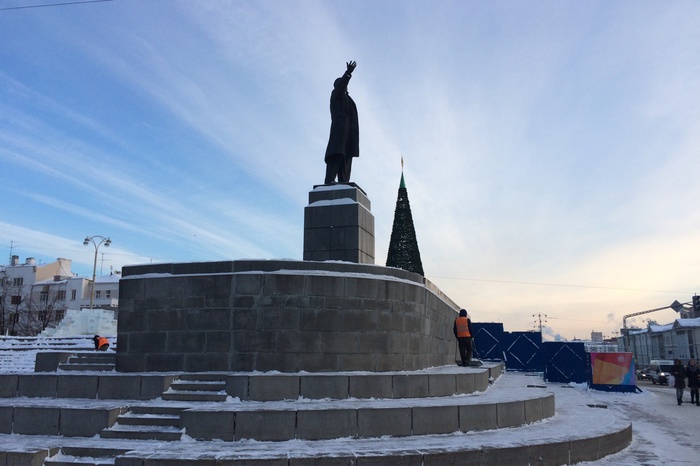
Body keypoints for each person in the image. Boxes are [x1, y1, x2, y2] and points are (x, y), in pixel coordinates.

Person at [324, 60, 359, 184]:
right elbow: (341, 87)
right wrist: (348, 73)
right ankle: (330, 180)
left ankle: (344, 181)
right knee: (337, 154)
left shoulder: (348, 99)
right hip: (339, 131)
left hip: (349, 134)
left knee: (346, 158)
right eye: (343, 84)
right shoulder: (336, 95)